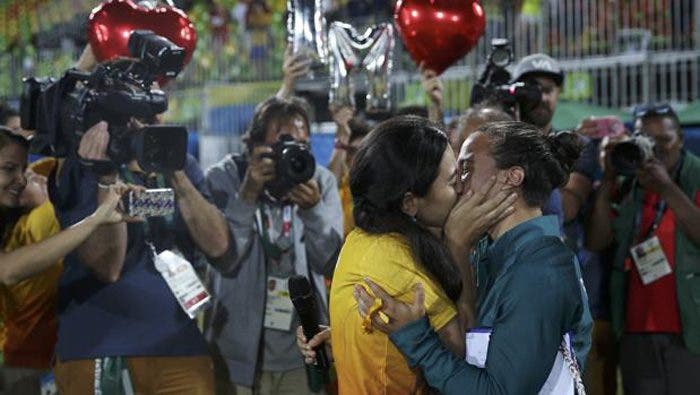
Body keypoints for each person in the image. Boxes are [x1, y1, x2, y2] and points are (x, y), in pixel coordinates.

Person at [355, 121, 593, 394]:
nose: (457, 184)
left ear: (512, 177)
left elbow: (497, 391)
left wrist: (417, 340)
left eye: (466, 168)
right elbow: (468, 347)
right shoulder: (491, 252)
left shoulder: (540, 268)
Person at [329, 115, 518, 394]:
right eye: (453, 180)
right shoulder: (395, 260)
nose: (462, 188)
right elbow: (467, 351)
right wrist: (458, 243)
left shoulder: (362, 239)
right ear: (409, 202)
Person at [49, 116, 229, 393]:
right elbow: (106, 267)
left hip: (180, 345)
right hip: (100, 347)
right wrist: (107, 178)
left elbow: (217, 244)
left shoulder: (181, 164)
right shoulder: (85, 165)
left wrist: (173, 170)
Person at [204, 95, 343, 395]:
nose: (292, 155)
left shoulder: (319, 181)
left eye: (301, 146)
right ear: (255, 145)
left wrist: (314, 211)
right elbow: (224, 258)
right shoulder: (225, 178)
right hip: (237, 357)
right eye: (282, 146)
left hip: (301, 356)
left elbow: (330, 264)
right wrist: (248, 194)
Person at [0, 127, 130, 394]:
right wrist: (95, 219)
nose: (21, 179)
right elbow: (7, 270)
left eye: (23, 169)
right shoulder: (36, 215)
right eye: (8, 169)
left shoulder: (17, 215)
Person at [586, 103, 700, 395]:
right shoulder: (627, 182)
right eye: (645, 141)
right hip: (635, 327)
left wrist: (667, 189)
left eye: (664, 141)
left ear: (681, 139)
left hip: (689, 328)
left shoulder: (695, 175)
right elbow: (597, 241)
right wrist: (609, 178)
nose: (655, 149)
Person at [326, 105, 371, 236]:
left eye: (363, 152)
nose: (357, 158)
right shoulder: (340, 187)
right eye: (351, 151)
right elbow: (331, 183)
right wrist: (343, 137)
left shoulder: (379, 187)